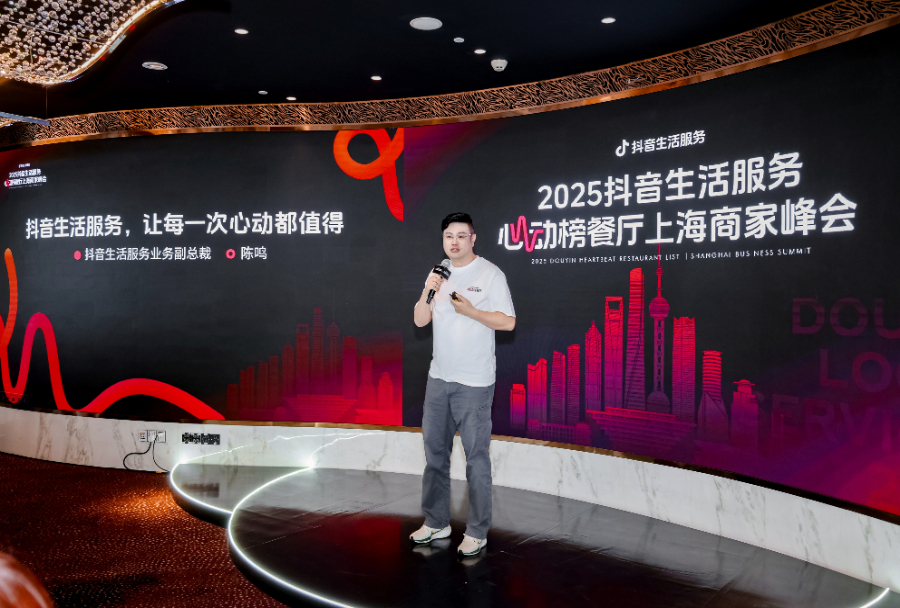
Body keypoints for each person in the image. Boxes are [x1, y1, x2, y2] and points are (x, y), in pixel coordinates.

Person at [410, 212, 516, 558]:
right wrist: (428, 289)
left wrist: (471, 312)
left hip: (474, 382)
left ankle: (477, 531)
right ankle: (435, 521)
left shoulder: (490, 274)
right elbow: (420, 320)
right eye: (448, 236)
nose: (454, 242)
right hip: (439, 378)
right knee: (434, 455)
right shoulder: (439, 273)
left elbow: (508, 322)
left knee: (476, 459)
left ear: (473, 238)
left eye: (460, 235)